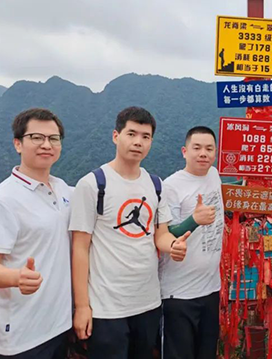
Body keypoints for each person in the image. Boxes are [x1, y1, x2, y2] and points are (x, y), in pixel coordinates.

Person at [70, 107, 190, 359]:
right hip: (106, 307)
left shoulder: (155, 185)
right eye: (131, 134)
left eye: (145, 137)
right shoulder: (92, 184)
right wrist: (81, 306)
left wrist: (173, 246)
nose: (138, 142)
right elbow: (80, 247)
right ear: (116, 136)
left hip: (147, 303)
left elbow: (160, 234)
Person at [0, 108, 72, 358]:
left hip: (59, 326)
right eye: (36, 137)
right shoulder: (0, 201)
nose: (46, 145)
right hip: (18, 337)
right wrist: (16, 277)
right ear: (18, 143)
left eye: (53, 138)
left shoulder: (64, 190)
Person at [158, 126, 224, 359]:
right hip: (178, 294)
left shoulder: (214, 174)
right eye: (197, 148)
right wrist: (194, 220)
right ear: (184, 151)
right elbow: (166, 233)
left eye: (209, 149)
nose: (203, 153)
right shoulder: (171, 186)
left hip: (210, 288)